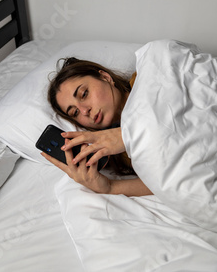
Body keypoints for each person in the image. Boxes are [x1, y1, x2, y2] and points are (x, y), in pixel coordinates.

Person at [41, 57, 152, 197]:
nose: (84, 111)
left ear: (105, 77)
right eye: (75, 112)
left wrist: (128, 135)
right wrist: (109, 187)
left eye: (84, 94)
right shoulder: (119, 154)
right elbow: (162, 183)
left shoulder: (147, 77)